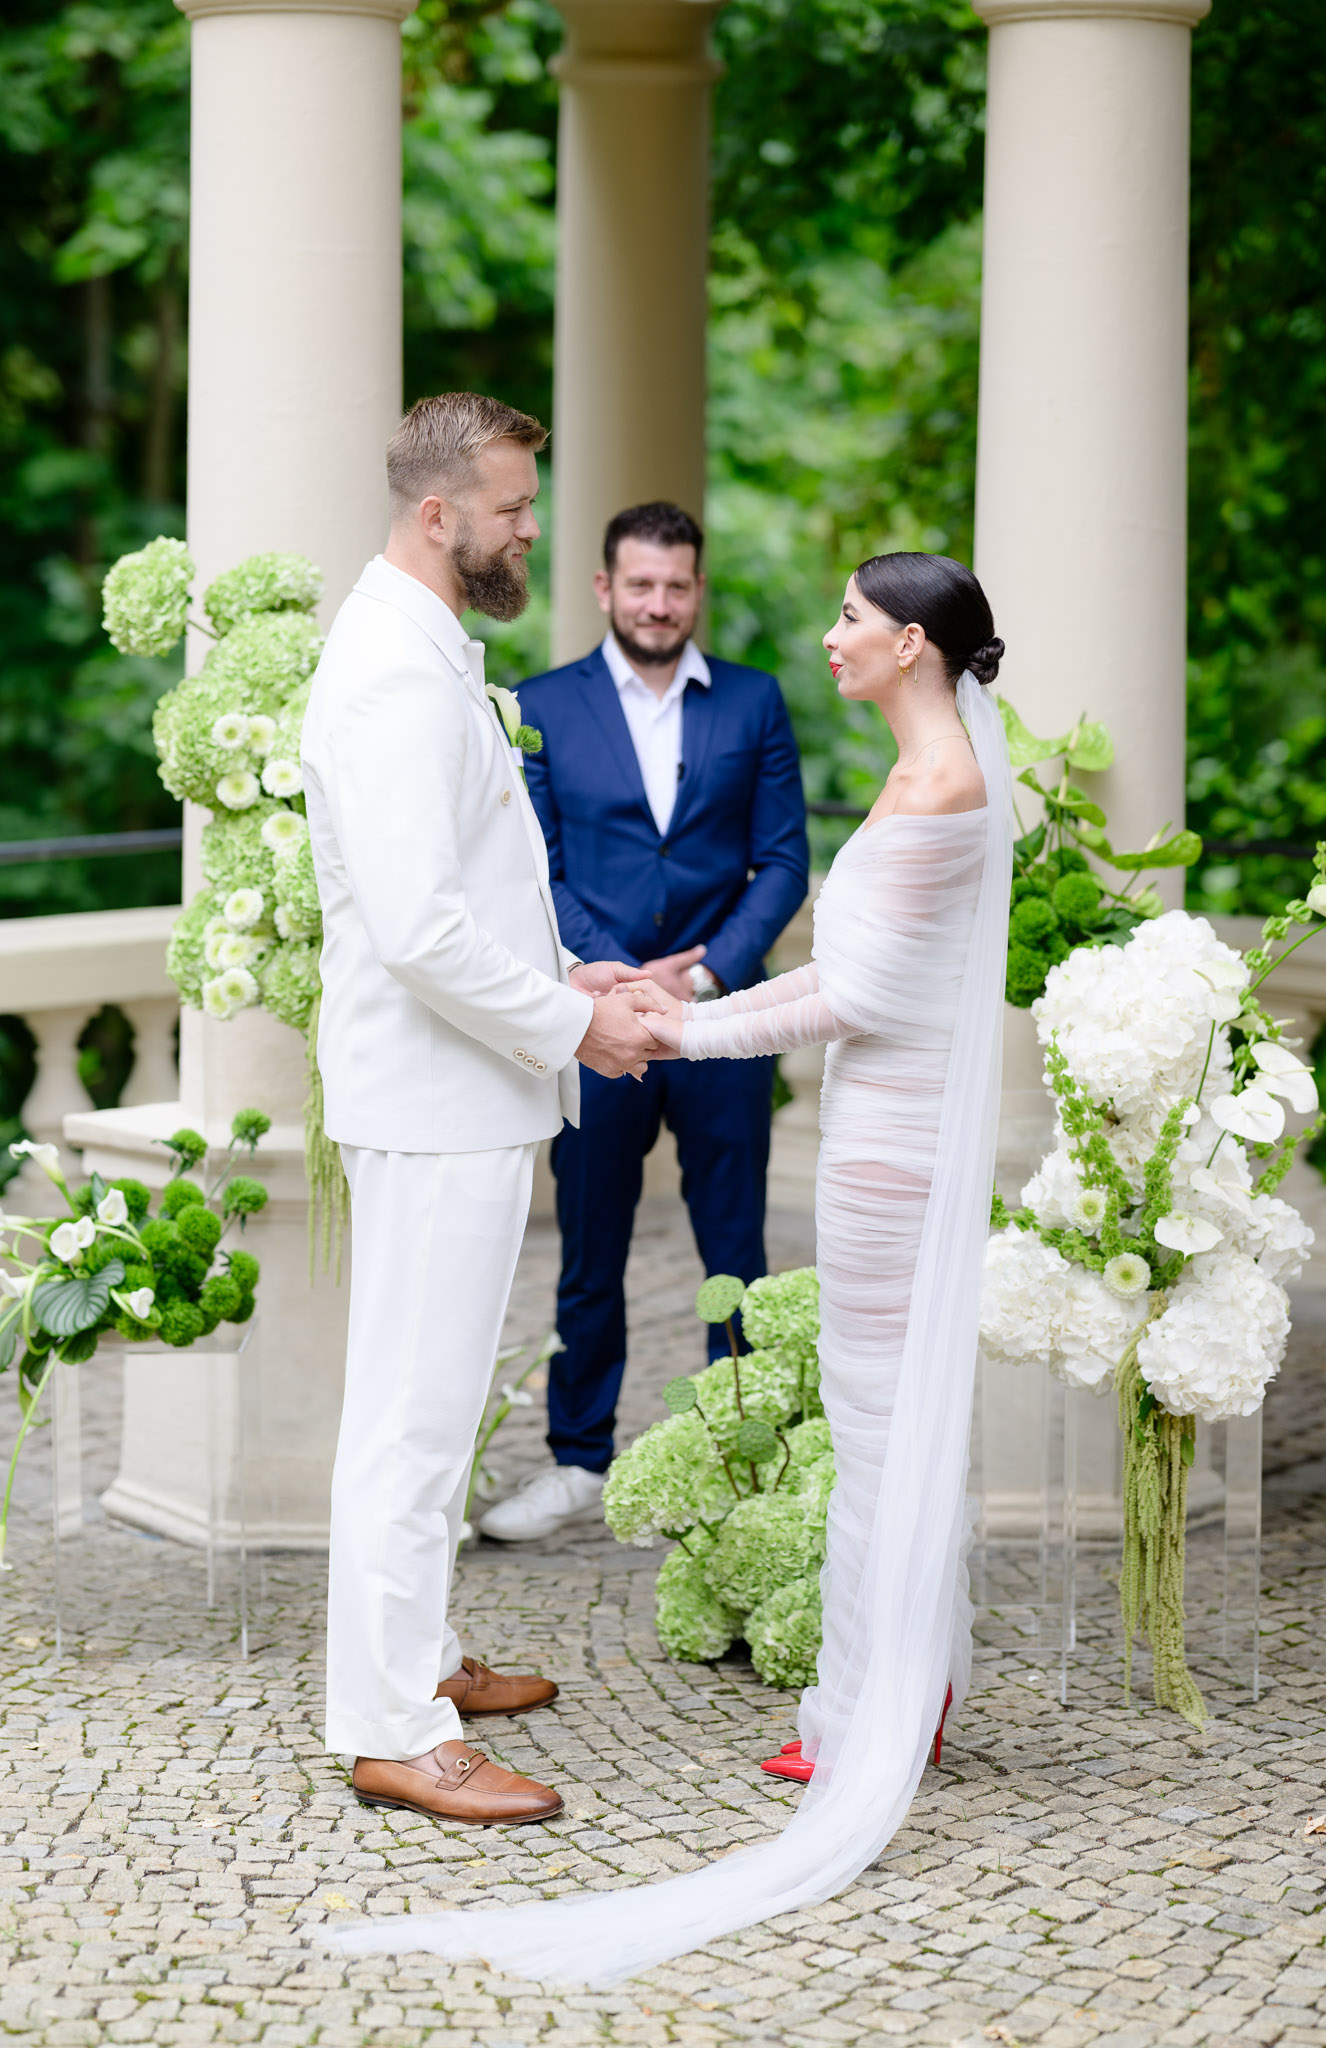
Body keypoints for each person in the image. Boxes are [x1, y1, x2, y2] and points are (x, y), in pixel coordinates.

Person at [324, 551, 1013, 1978]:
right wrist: (600, 998)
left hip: (878, 1140)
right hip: (844, 1113)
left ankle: (881, 1712)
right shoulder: (917, 764)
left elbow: (864, 989)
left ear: (917, 648)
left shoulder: (939, 784)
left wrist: (667, 1026)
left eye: (853, 622)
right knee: (871, 1421)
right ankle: (884, 1698)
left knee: (880, 1428)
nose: (829, 639)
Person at [301, 391, 657, 1828]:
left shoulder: (432, 650)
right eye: (512, 507)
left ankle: (429, 1658)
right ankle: (390, 1727)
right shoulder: (388, 669)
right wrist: (579, 1023)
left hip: (469, 1090)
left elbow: (471, 895)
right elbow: (417, 934)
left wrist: (573, 967)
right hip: (435, 1097)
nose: (528, 530)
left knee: (439, 1408)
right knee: (411, 1417)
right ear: (438, 513)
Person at [478, 502, 808, 1543]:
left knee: (735, 1248)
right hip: (600, 1021)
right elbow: (538, 866)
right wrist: (603, 977)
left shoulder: (753, 703)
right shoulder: (542, 703)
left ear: (696, 591)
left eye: (677, 586)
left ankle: (740, 1461)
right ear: (604, 589)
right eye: (641, 584)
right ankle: (578, 1460)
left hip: (719, 1022)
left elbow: (785, 859)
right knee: (591, 1246)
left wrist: (708, 972)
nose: (659, 603)